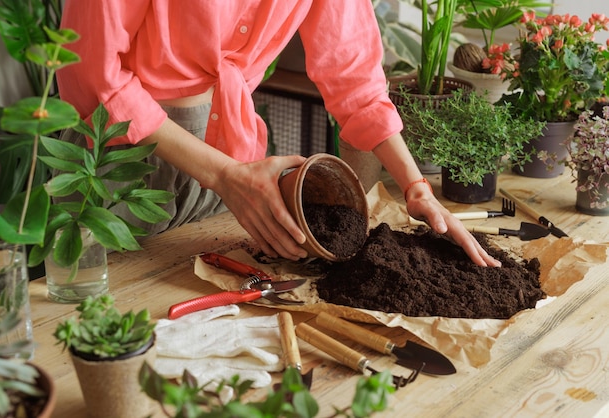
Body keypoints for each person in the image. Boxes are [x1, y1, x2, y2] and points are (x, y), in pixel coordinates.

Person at [57, 1, 500, 267]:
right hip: (116, 161)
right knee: (98, 327)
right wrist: (224, 176)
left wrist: (415, 186)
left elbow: (354, 77)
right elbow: (95, 73)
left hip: (232, 161)